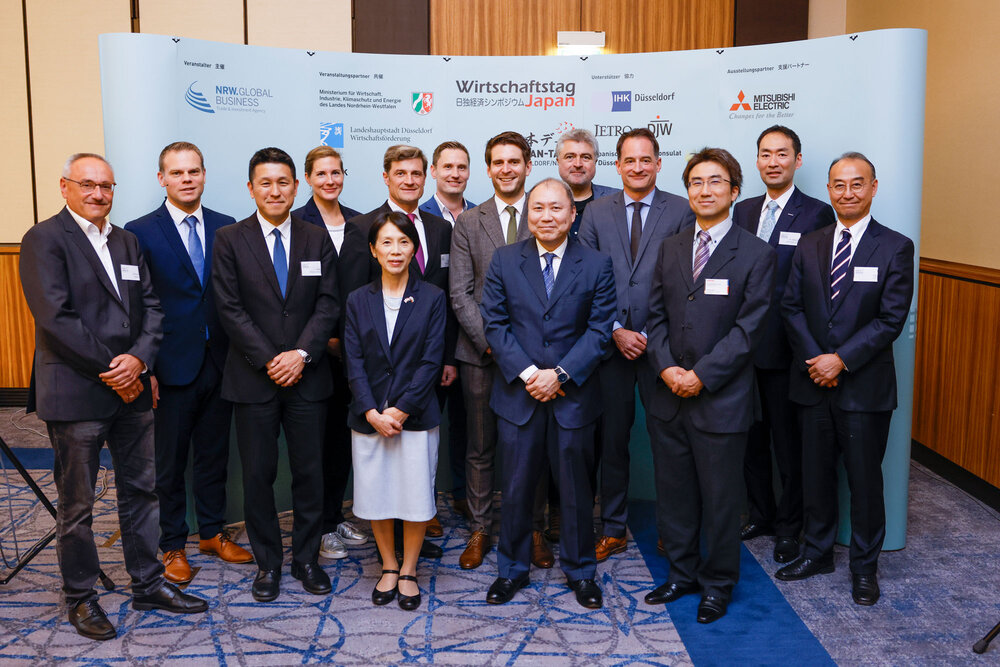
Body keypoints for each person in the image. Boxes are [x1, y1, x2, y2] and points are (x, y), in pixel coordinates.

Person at [19, 153, 207, 641]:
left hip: (133, 390)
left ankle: (147, 583)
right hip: (78, 391)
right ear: (65, 187)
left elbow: (151, 307)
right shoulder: (44, 239)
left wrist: (140, 361)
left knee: (141, 492)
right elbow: (56, 317)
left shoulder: (126, 241)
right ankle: (81, 597)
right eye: (87, 185)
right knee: (78, 504)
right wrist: (113, 367)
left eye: (106, 186)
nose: (98, 194)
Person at [643, 148, 775, 624]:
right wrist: (665, 370)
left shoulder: (757, 253)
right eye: (696, 182)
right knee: (674, 493)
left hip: (721, 400)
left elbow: (749, 329)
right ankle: (681, 573)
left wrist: (702, 376)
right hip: (667, 395)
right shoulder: (672, 247)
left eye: (715, 182)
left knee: (721, 500)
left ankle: (718, 584)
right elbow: (653, 317)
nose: (704, 190)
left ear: (734, 191)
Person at [776, 152, 914, 607]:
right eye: (838, 184)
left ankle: (864, 568)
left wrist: (841, 360)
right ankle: (817, 553)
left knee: (864, 482)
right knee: (814, 476)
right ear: (829, 190)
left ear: (874, 187)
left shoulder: (895, 246)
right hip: (812, 382)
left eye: (857, 184)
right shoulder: (810, 243)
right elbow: (791, 307)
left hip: (864, 387)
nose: (847, 193)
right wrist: (818, 358)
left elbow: (891, 319)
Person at [480, 178, 616, 609]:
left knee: (576, 491)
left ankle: (580, 571)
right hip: (519, 397)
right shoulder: (504, 260)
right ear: (527, 214)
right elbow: (494, 325)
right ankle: (512, 570)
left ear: (573, 214)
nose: (546, 216)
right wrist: (528, 374)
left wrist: (558, 374)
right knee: (517, 488)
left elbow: (599, 332)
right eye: (537, 208)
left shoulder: (597, 264)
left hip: (572, 396)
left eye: (556, 208)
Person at [212, 147, 340, 602]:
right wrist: (272, 358)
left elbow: (329, 302)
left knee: (310, 472)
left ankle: (306, 559)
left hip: (308, 378)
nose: (275, 190)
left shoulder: (315, 237)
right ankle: (268, 563)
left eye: (283, 182)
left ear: (296, 186)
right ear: (251, 188)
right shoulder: (229, 239)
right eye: (265, 182)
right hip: (253, 378)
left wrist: (301, 354)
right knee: (259, 475)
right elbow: (228, 307)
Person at [125, 142, 253, 584]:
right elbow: (136, 307)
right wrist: (147, 368)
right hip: (168, 367)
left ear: (204, 174)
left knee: (214, 456)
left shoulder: (226, 227)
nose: (186, 179)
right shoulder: (138, 231)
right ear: (162, 179)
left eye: (193, 171)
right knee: (170, 462)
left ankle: (212, 533)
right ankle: (172, 544)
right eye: (176, 173)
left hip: (220, 361)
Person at [577, 127, 694, 562]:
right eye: (630, 160)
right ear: (618, 164)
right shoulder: (595, 213)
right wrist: (614, 329)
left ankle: (673, 529)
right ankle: (612, 527)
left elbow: (687, 283)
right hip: (610, 348)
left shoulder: (682, 211)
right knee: (612, 441)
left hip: (663, 348)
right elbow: (584, 279)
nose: (638, 167)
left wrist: (650, 334)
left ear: (659, 164)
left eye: (647, 160)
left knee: (669, 442)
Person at [732, 126, 836, 563]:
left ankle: (790, 527)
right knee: (750, 441)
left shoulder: (817, 214)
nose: (773, 161)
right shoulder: (741, 210)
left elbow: (819, 287)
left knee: (788, 446)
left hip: (789, 351)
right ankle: (762, 514)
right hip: (741, 350)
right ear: (756, 161)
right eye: (765, 154)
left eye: (782, 153)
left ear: (797, 159)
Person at [450, 131, 554, 572]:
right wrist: (495, 344)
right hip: (482, 356)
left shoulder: (546, 212)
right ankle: (480, 528)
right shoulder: (468, 222)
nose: (507, 169)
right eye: (498, 162)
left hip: (536, 360)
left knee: (533, 446)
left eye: (515, 161)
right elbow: (460, 293)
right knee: (480, 446)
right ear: (488, 169)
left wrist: (522, 356)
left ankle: (533, 529)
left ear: (528, 166)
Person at [347, 144, 455, 555]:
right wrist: (371, 404)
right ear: (386, 176)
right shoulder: (362, 228)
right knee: (376, 484)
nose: (410, 180)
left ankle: (411, 548)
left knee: (415, 480)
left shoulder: (440, 227)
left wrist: (410, 397)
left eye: (417, 173)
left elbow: (445, 294)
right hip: (372, 380)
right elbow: (354, 310)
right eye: (401, 173)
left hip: (420, 374)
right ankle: (389, 555)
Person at [343, 211, 446, 611]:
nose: (395, 250)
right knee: (377, 493)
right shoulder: (357, 299)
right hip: (369, 417)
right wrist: (371, 410)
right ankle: (388, 564)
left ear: (414, 249)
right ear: (373, 250)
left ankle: (410, 569)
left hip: (415, 417)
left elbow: (431, 360)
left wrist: (401, 410)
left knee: (415, 493)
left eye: (403, 242)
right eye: (386, 242)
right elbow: (352, 360)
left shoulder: (433, 298)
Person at [292, 146, 368, 561]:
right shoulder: (297, 221)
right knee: (315, 444)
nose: (329, 180)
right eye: (321, 173)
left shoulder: (359, 224)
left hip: (353, 354)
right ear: (308, 178)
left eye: (336, 173)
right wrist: (323, 340)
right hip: (314, 352)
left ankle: (335, 513)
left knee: (343, 440)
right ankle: (318, 526)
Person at [420, 141, 474, 522]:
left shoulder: (483, 216)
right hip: (430, 346)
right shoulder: (415, 217)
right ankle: (423, 505)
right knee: (424, 430)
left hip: (473, 343)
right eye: (447, 167)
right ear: (433, 172)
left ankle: (463, 496)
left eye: (462, 167)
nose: (455, 173)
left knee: (469, 427)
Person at [554, 128, 617, 238]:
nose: (578, 164)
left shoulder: (617, 200)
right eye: (570, 157)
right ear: (558, 161)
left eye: (585, 157)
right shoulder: (541, 201)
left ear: (595, 162)